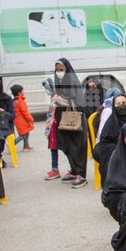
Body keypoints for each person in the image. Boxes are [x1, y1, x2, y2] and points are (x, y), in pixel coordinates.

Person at [50, 58, 88, 187]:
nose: (59, 72)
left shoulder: (73, 82)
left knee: (77, 147)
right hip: (63, 119)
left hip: (75, 119)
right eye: (57, 70)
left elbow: (80, 103)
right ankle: (73, 170)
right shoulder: (58, 82)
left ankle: (81, 174)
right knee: (66, 145)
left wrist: (62, 100)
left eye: (62, 70)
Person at [93, 92, 126, 180]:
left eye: (124, 103)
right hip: (115, 152)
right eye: (118, 104)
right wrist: (120, 149)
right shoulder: (110, 122)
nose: (121, 106)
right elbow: (104, 142)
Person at [11, 84, 34, 151]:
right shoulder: (20, 101)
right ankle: (12, 144)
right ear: (19, 93)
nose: (23, 92)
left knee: (26, 133)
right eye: (22, 91)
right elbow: (25, 112)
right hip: (22, 121)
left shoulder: (15, 100)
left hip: (18, 120)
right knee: (23, 135)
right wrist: (31, 119)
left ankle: (26, 146)